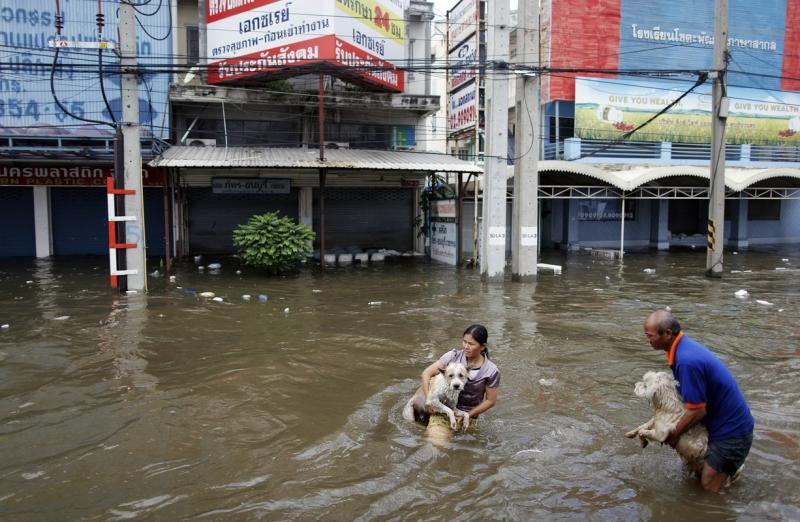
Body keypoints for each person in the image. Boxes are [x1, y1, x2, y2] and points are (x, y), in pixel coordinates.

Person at [643, 309, 754, 493]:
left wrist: (673, 434)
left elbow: (697, 410)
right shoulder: (681, 349)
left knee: (709, 487)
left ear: (667, 334)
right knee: (695, 476)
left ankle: (735, 501)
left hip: (732, 432)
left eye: (650, 336)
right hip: (722, 424)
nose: (647, 340)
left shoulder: (686, 361)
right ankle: (727, 475)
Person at [419, 324, 500, 442]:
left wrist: (469, 414)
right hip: (442, 411)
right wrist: (429, 400)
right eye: (464, 342)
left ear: (482, 347)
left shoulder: (491, 371)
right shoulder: (452, 356)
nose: (466, 347)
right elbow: (426, 373)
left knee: (464, 449)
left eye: (471, 344)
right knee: (435, 443)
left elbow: (491, 401)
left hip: (468, 415)